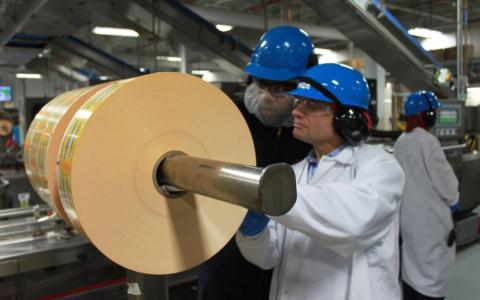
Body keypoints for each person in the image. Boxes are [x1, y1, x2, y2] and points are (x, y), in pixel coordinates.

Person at [236, 63, 405, 300]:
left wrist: (271, 197)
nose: (296, 111)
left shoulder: (379, 167)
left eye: (311, 105)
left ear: (347, 119)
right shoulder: (292, 173)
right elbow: (268, 257)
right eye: (299, 102)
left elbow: (352, 221)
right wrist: (254, 232)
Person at [197, 25, 315, 300]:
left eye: (282, 87)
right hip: (225, 251)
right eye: (262, 84)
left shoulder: (309, 131)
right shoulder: (227, 116)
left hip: (283, 256)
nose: (268, 96)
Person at [394, 90, 459, 300]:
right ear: (426, 116)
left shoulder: (401, 141)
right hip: (431, 222)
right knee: (432, 277)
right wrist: (454, 199)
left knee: (412, 269)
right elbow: (446, 183)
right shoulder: (428, 142)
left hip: (409, 220)